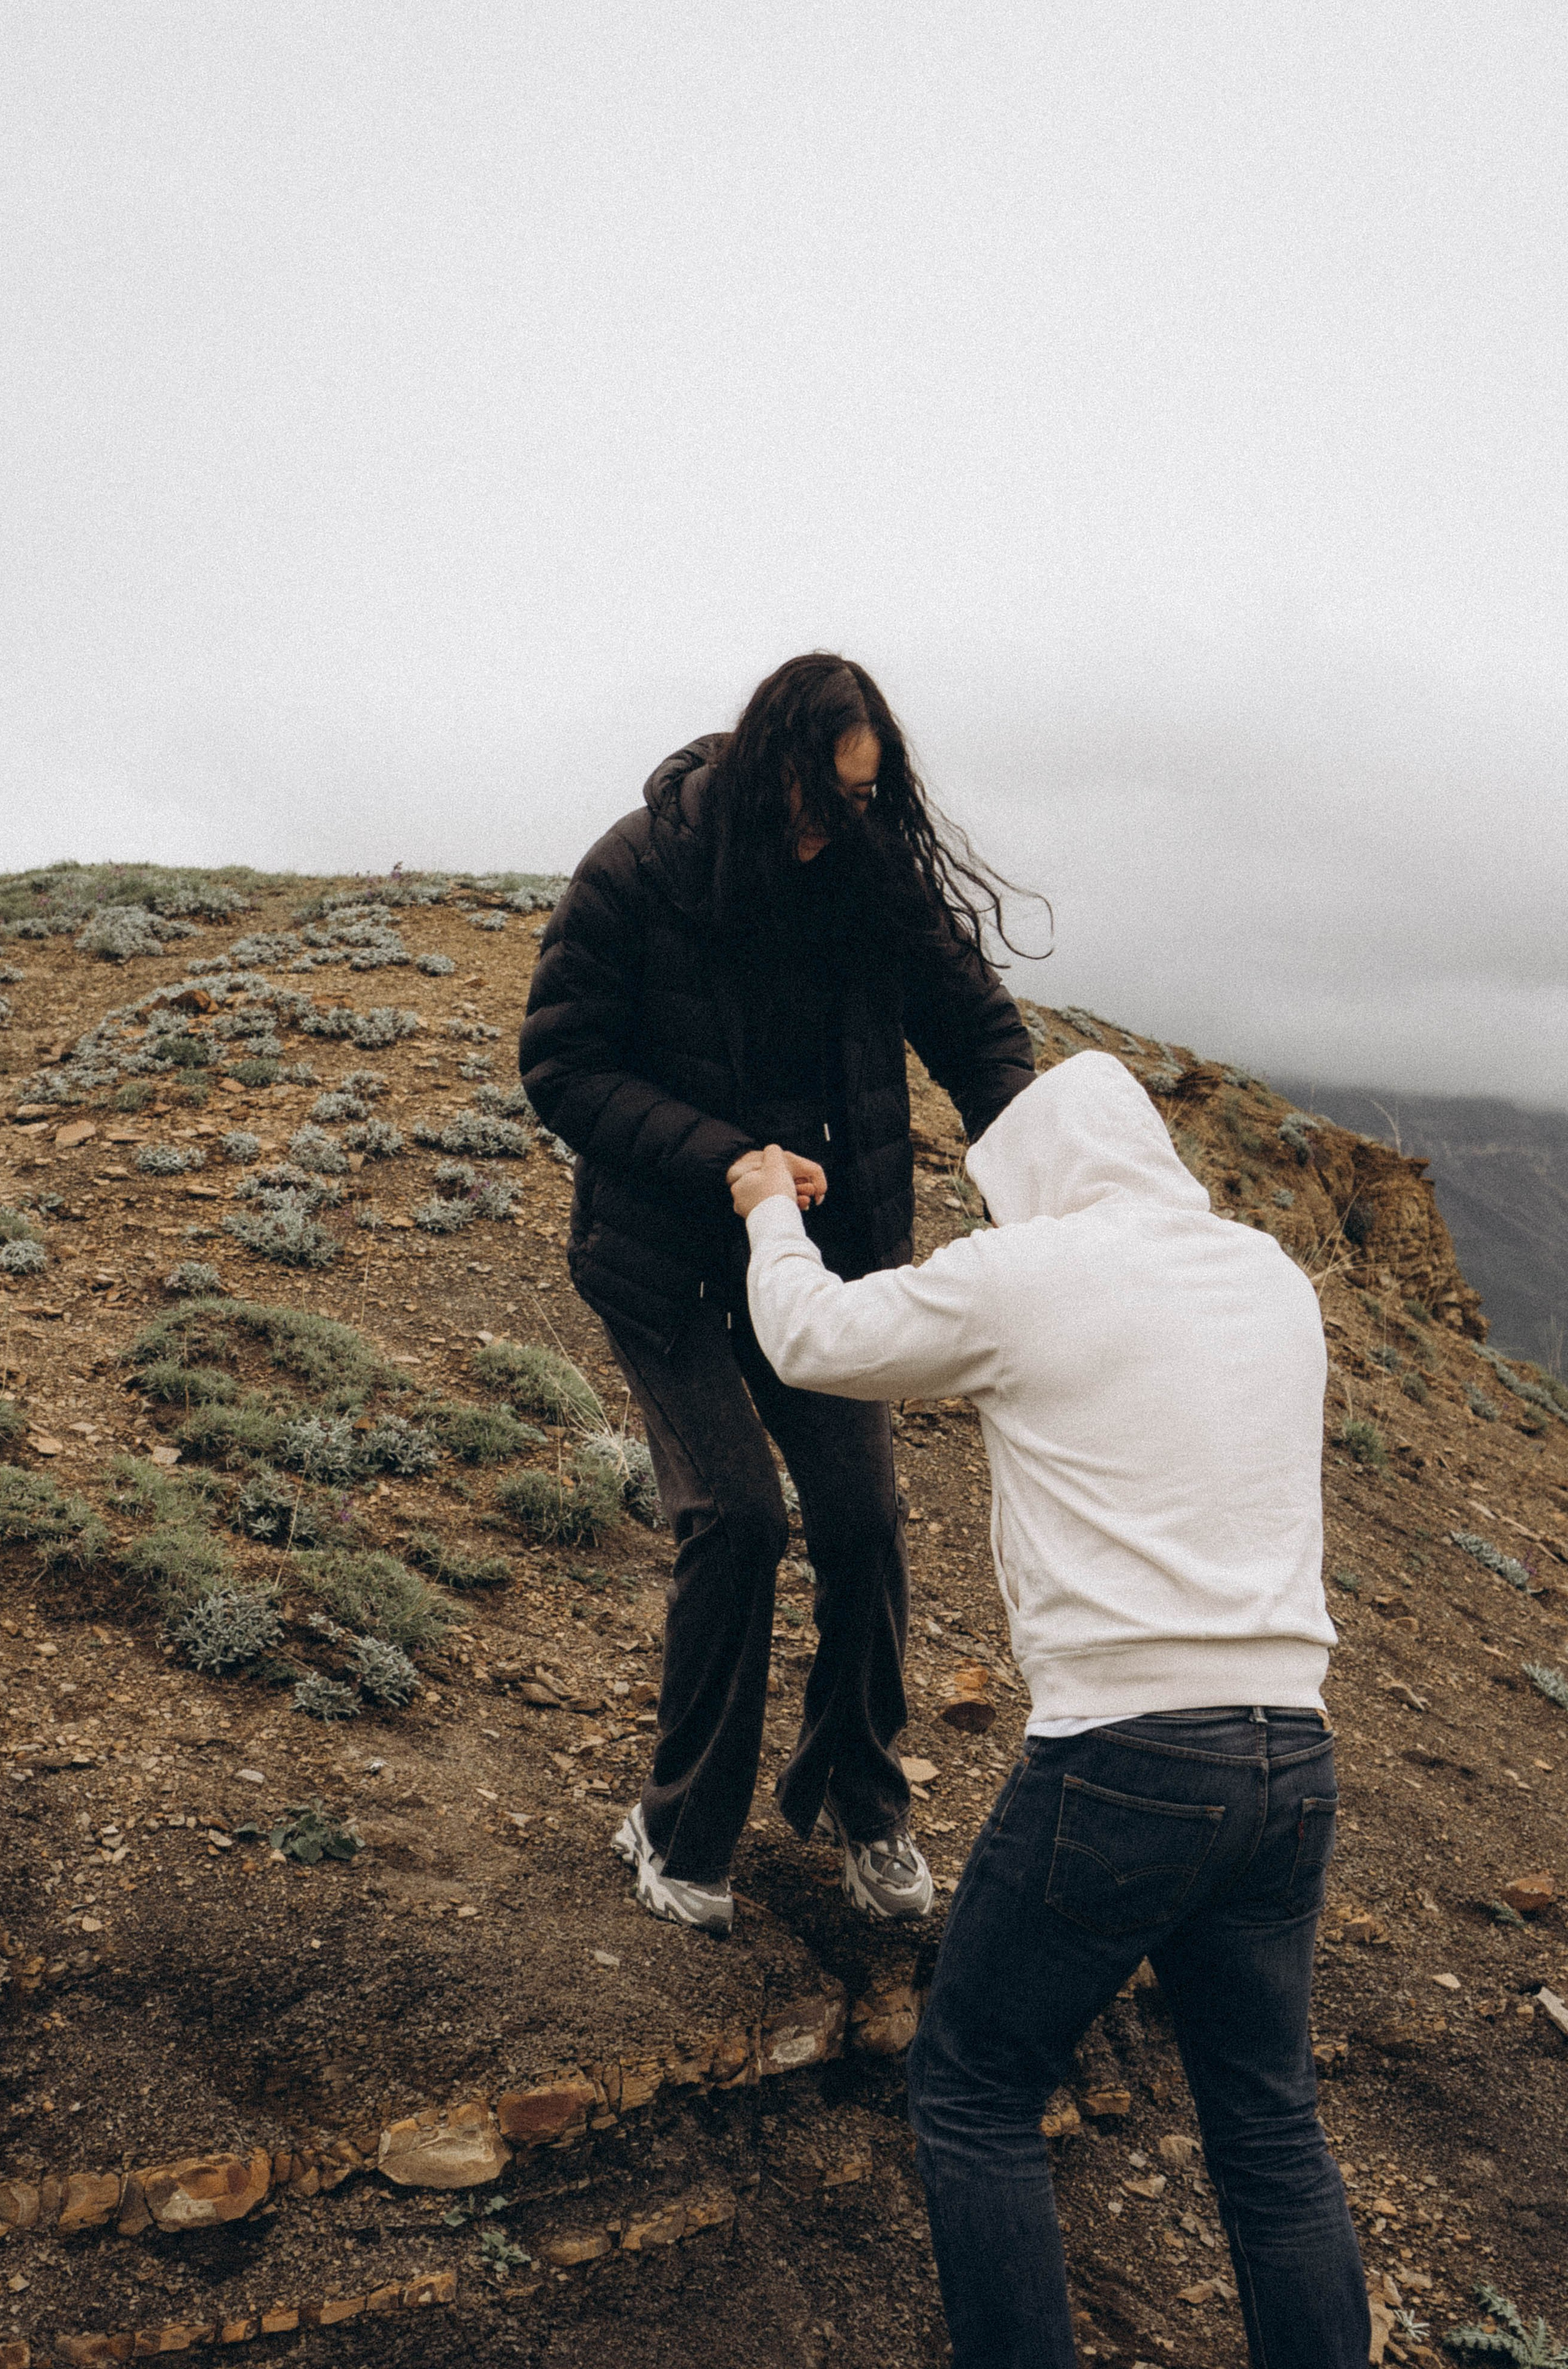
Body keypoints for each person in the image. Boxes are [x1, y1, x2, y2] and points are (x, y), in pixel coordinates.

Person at [732, 1052, 1369, 2369]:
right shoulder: (1266, 1277)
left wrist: (765, 1208)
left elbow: (811, 1340)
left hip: (1127, 1756)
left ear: (1033, 1178)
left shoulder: (1033, 1274)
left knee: (971, 2090)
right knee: (1265, 2124)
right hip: (1290, 1754)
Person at [519, 653, 1036, 1937]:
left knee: (861, 1520)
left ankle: (864, 1803)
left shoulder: (868, 877)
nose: (833, 826)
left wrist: (1044, 1173)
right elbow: (561, 1063)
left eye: (861, 801)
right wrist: (724, 1161)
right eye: (819, 797)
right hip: (667, 1261)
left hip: (826, 1262)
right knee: (738, 1519)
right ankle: (675, 1825)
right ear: (767, 768)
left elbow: (977, 1034)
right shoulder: (636, 869)